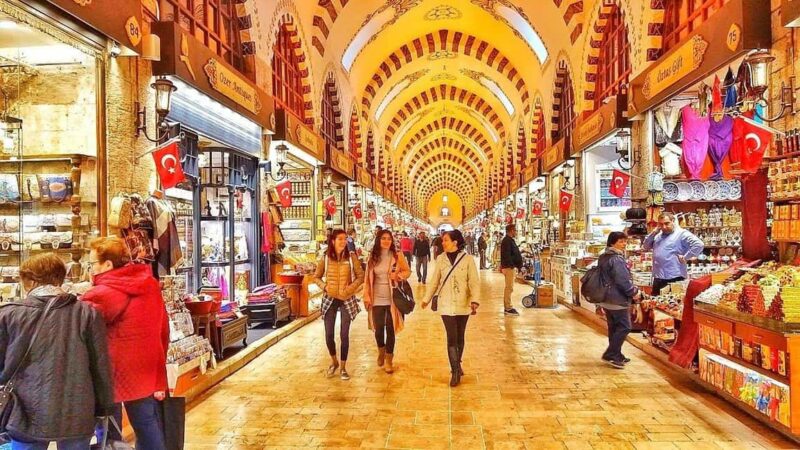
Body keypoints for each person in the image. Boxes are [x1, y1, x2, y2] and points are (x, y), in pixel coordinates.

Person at [0, 253, 114, 449]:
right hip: (77, 408)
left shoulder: (9, 314)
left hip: (25, 410)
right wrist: (104, 407)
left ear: (30, 281)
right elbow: (100, 366)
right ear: (61, 278)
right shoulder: (86, 314)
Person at [82, 237, 170, 449]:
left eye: (92, 264)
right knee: (146, 423)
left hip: (112, 370)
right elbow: (163, 326)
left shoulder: (101, 294)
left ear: (108, 265)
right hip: (145, 365)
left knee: (109, 429)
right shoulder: (149, 284)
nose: (90, 269)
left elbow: (84, 332)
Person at [422, 230, 480, 387]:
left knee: (460, 337)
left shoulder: (468, 259)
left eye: (446, 240)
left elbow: (474, 281)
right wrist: (426, 299)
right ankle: (454, 371)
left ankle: (458, 363)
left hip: (463, 303)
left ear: (455, 242)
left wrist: (475, 300)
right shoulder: (441, 259)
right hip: (446, 304)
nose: (443, 243)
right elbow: (435, 281)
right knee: (451, 338)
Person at [313, 229, 365, 380]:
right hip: (330, 298)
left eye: (345, 239)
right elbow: (316, 277)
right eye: (340, 239)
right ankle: (334, 361)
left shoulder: (351, 257)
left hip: (346, 299)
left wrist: (349, 289)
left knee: (344, 334)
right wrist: (325, 287)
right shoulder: (325, 258)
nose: (343, 242)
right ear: (333, 241)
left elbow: (360, 276)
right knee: (329, 334)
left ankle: (343, 367)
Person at [363, 230, 411, 374]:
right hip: (376, 297)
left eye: (388, 239)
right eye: (383, 238)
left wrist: (398, 276)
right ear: (378, 240)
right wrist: (366, 296)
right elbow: (366, 278)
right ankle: (381, 351)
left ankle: (389, 360)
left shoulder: (397, 255)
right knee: (378, 329)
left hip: (392, 298)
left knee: (390, 329)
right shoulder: (373, 257)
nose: (386, 241)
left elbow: (407, 271)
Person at [597, 232, 642, 369]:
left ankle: (616, 353)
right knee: (625, 327)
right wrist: (633, 292)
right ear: (612, 243)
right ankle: (611, 354)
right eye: (621, 241)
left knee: (614, 327)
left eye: (624, 241)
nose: (624, 244)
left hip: (606, 298)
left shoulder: (604, 256)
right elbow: (622, 280)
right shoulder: (616, 259)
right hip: (617, 299)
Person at [643, 211, 704, 295]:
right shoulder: (658, 235)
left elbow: (699, 244)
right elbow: (646, 246)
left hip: (675, 278)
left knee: (673, 304)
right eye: (661, 224)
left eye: (667, 223)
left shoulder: (681, 234)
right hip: (658, 277)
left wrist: (686, 257)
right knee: (656, 304)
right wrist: (654, 232)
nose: (664, 227)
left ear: (673, 221)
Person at [500, 224, 523, 316]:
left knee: (510, 287)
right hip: (509, 268)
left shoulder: (509, 240)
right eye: (515, 230)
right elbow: (507, 255)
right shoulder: (507, 241)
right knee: (509, 288)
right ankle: (508, 308)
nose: (516, 232)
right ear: (511, 231)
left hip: (510, 267)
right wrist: (512, 265)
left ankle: (508, 306)